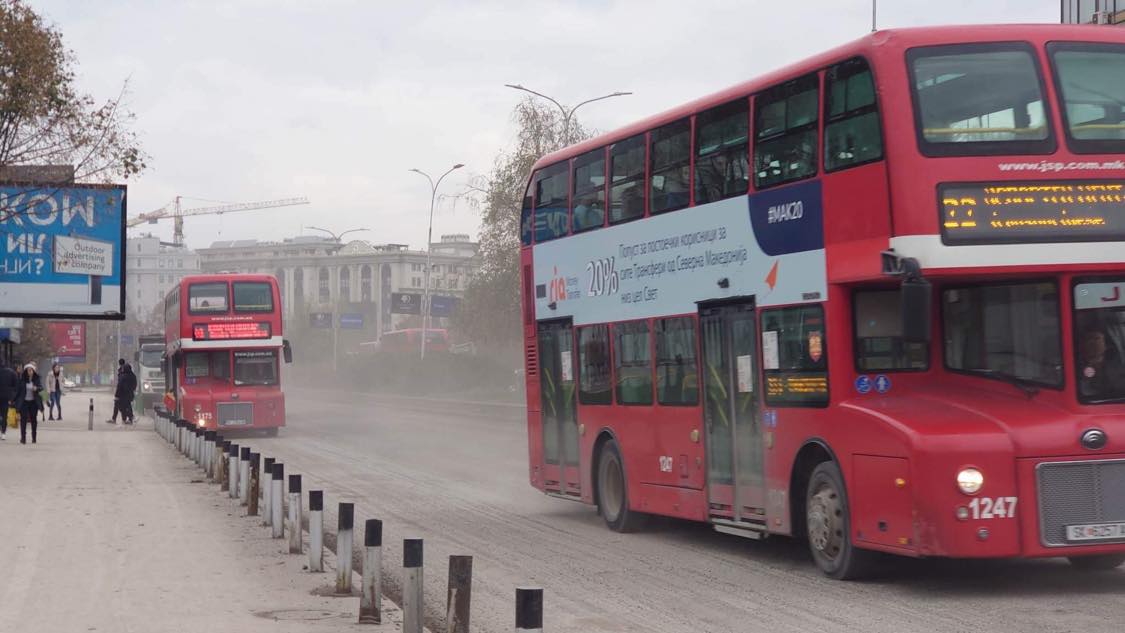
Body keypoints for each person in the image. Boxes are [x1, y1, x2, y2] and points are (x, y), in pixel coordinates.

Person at [1078, 328, 1125, 400]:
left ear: (1105, 345)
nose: (1093, 343)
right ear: (1083, 345)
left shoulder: (1118, 367)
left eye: (1097, 338)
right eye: (1089, 339)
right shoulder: (1076, 369)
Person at [17, 363, 42, 444]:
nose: (30, 372)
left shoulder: (36, 379)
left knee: (33, 420)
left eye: (31, 370)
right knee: (23, 420)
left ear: (33, 371)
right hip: (24, 402)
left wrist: (37, 388)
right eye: (28, 370)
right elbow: (18, 391)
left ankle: (34, 437)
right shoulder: (22, 380)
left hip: (33, 403)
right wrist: (12, 400)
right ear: (26, 371)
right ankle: (23, 438)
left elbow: (41, 388)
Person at [0, 362, 17, 441]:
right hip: (6, 397)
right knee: (4, 415)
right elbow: (15, 385)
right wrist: (12, 398)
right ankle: (3, 432)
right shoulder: (10, 372)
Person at [106, 358, 126, 424]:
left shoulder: (123, 372)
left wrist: (117, 394)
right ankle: (122, 419)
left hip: (122, 393)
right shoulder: (123, 371)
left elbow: (120, 384)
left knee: (121, 406)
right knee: (119, 406)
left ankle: (121, 419)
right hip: (124, 392)